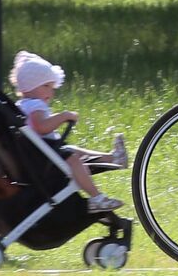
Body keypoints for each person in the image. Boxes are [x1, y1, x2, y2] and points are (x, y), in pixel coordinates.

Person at [10, 50, 128, 213]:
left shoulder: (22, 105)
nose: (51, 92)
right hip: (43, 155)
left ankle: (113, 158)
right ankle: (96, 197)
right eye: (46, 86)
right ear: (30, 85)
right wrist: (64, 116)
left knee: (72, 151)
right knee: (72, 159)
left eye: (52, 87)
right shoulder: (35, 105)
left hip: (38, 153)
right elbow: (41, 127)